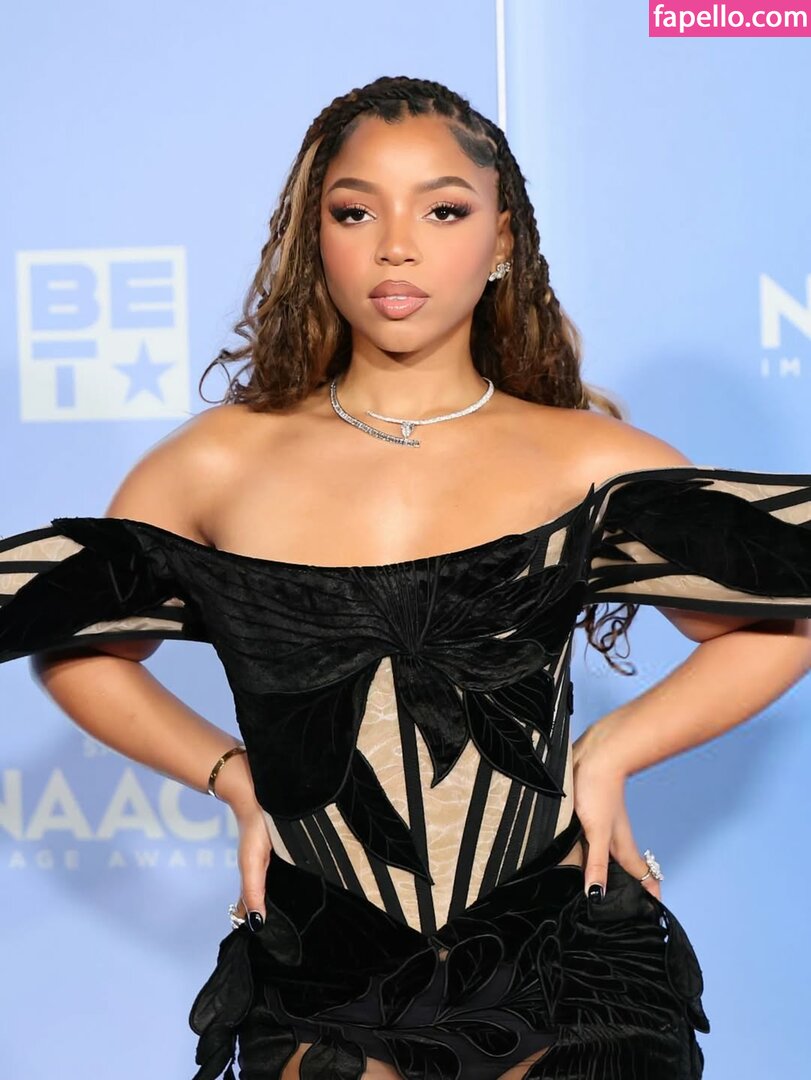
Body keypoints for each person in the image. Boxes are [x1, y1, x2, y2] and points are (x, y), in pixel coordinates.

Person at [2, 75, 811, 1080]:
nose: (396, 246)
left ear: (502, 240)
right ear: (315, 238)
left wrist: (613, 750)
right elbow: (72, 638)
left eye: (442, 210)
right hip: (321, 969)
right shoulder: (211, 465)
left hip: (568, 959)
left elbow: (781, 619)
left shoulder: (590, 462)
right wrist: (232, 777)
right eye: (355, 212)